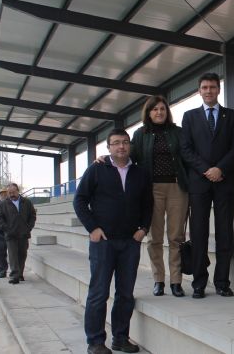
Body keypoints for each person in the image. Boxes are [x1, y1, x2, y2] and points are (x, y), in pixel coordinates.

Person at [74, 128, 153, 354]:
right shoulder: (97, 169)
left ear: (130, 146)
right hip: (104, 243)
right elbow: (80, 200)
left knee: (125, 294)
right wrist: (93, 228)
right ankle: (96, 342)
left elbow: (148, 204)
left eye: (125, 142)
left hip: (130, 243)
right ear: (108, 148)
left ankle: (120, 338)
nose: (121, 146)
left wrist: (143, 229)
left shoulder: (140, 173)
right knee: (99, 292)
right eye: (116, 143)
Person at [181, 73, 234, 299]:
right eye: (205, 87)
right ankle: (199, 283)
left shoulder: (232, 116)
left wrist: (220, 169)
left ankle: (222, 282)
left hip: (224, 181)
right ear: (199, 91)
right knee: (198, 233)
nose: (209, 91)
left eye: (213, 87)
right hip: (199, 183)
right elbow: (186, 149)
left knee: (225, 232)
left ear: (219, 90)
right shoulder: (189, 117)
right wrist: (206, 170)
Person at [129, 95, 189, 298]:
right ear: (148, 112)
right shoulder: (139, 134)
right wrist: (106, 159)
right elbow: (128, 158)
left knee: (176, 237)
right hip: (151, 189)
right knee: (154, 238)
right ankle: (159, 280)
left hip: (177, 187)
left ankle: (176, 281)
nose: (159, 112)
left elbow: (188, 157)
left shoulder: (178, 133)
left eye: (162, 109)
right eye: (155, 109)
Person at [0, 183, 36, 284]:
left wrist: (29, 227)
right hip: (10, 235)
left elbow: (32, 215)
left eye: (13, 192)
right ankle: (14, 276)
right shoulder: (3, 204)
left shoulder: (27, 202)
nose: (11, 194)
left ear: (18, 191)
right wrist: (6, 228)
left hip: (23, 234)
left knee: (22, 254)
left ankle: (20, 274)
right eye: (9, 193)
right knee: (13, 255)